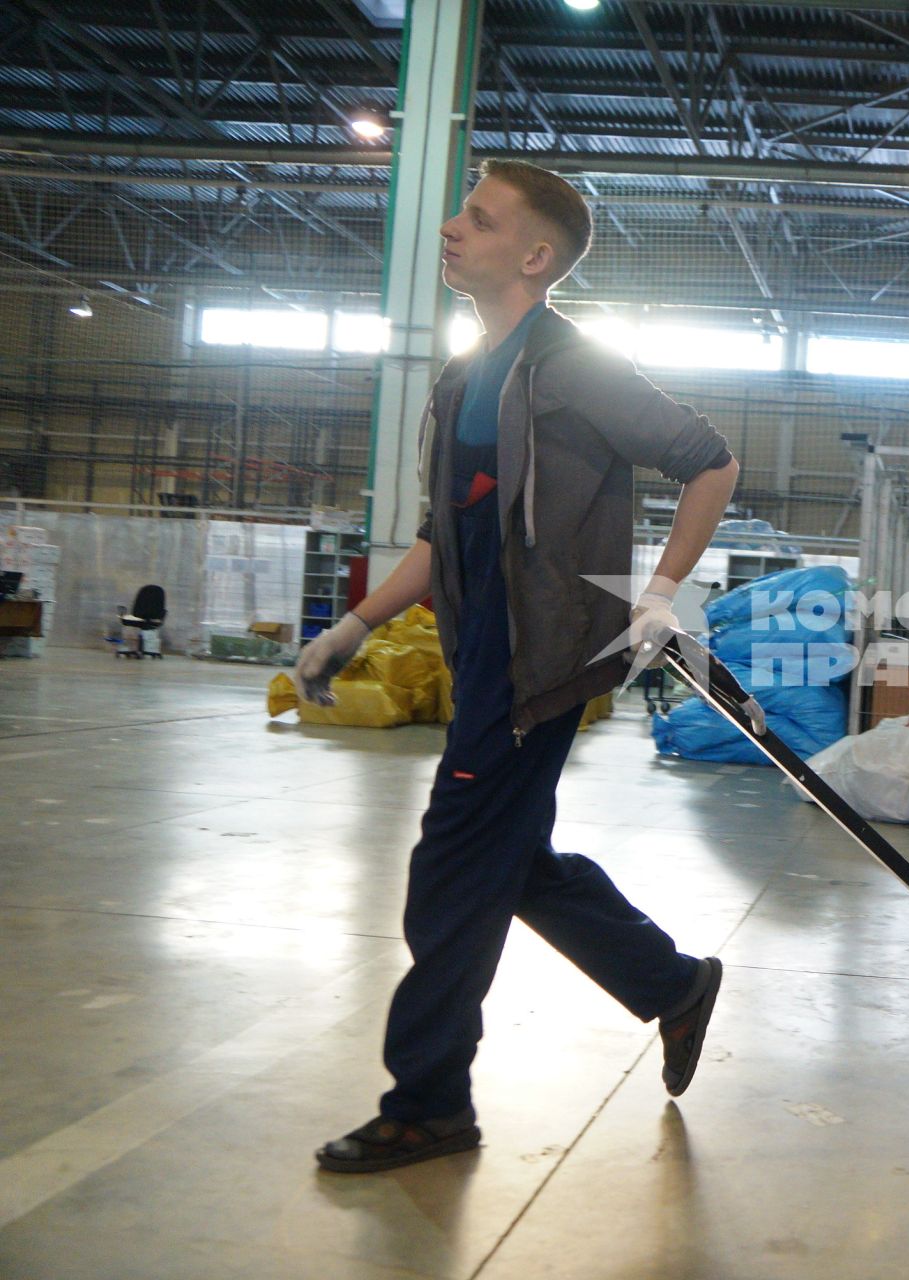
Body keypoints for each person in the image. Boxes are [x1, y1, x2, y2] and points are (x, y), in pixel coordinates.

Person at [298, 159, 741, 1173]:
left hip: (534, 664)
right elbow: (437, 538)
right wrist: (355, 624)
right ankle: (669, 982)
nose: (451, 228)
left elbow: (709, 459)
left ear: (533, 257)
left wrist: (660, 592)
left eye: (479, 219)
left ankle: (428, 1101)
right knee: (509, 859)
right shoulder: (464, 376)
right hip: (481, 660)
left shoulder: (571, 364)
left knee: (448, 872)